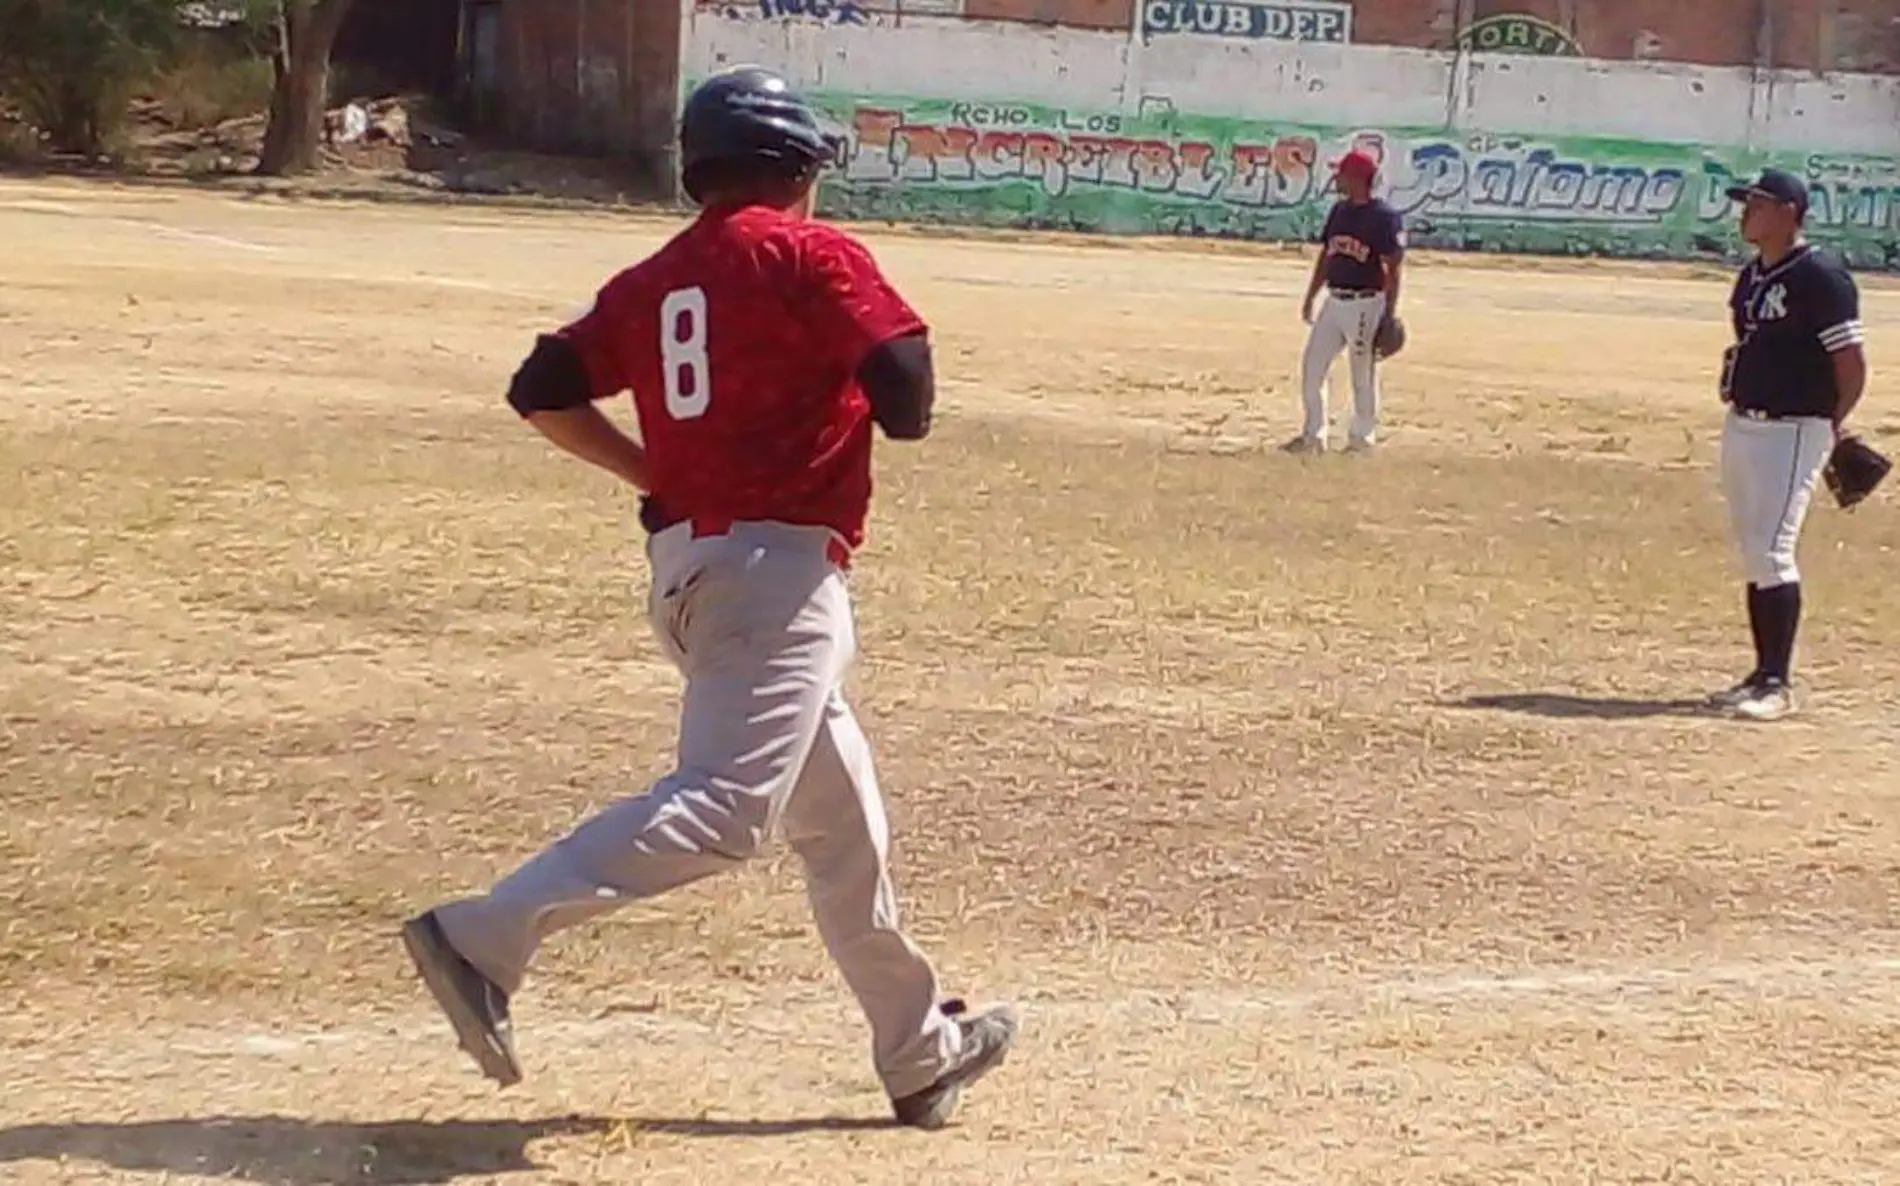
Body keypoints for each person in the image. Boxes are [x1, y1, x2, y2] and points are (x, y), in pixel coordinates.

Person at [398, 65, 1019, 1130]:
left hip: (697, 571)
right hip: (772, 575)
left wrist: (656, 474)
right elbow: (906, 396)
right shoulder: (806, 250)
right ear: (792, 169)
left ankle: (919, 1051)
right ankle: (484, 935)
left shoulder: (657, 274)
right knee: (729, 807)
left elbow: (538, 385)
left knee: (841, 825)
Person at [1710, 167, 1867, 721]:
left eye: (1756, 204)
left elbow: (1850, 364)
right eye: (1745, 203)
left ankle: (1777, 684)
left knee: (1774, 551)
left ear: (1789, 213)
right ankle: (1758, 674)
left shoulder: (1821, 277)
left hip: (1795, 428)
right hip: (1746, 423)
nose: (1744, 213)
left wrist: (1830, 424)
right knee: (1756, 551)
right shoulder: (1752, 276)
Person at [1287, 148, 1406, 454]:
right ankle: (1314, 435)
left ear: (1356, 178)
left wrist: (1389, 315)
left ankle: (1362, 439)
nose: (1336, 177)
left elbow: (1393, 268)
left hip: (1367, 302)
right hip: (1335, 299)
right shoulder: (1339, 212)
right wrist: (1312, 295)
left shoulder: (1384, 218)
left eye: (1341, 173)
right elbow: (1326, 256)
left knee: (1361, 372)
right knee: (1313, 365)